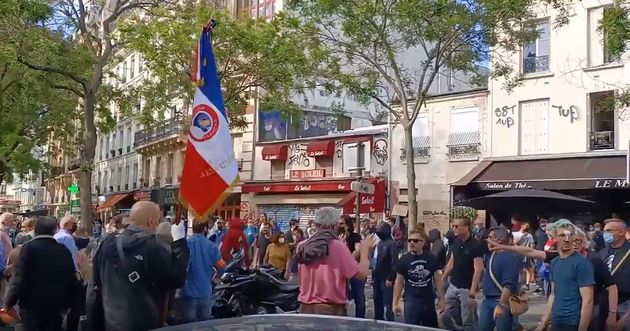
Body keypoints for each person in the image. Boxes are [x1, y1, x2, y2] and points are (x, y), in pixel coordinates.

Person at [86, 201, 190, 331]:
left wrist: (93, 322)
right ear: (151, 221)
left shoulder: (106, 244)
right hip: (145, 322)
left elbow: (93, 287)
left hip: (112, 321)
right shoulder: (152, 248)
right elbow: (177, 278)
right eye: (159, 220)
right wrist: (179, 244)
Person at [4, 216, 81, 331]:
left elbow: (20, 278)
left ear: (36, 230)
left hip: (31, 305)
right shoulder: (62, 250)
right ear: (54, 230)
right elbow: (71, 277)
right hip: (56, 305)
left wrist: (9, 302)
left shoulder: (28, 248)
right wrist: (75, 303)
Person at [296, 207, 373, 316]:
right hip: (330, 309)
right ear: (334, 225)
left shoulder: (302, 246)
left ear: (316, 224)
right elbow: (361, 275)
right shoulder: (338, 247)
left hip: (305, 307)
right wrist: (364, 250)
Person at [537, 221, 594, 331]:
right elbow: (553, 295)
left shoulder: (582, 263)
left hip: (572, 322)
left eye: (570, 235)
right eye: (562, 235)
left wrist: (582, 328)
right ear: (555, 238)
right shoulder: (554, 263)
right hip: (556, 320)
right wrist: (544, 323)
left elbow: (588, 300)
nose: (566, 239)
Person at [393, 229, 445, 327]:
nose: (412, 243)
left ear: (423, 242)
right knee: (411, 328)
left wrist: (442, 299)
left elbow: (438, 280)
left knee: (430, 328)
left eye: (416, 240)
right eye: (410, 240)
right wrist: (395, 303)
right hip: (411, 301)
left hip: (428, 301)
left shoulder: (431, 259)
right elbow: (399, 282)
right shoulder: (404, 260)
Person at [442, 217, 484, 331]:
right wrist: (443, 278)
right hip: (453, 285)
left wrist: (473, 290)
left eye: (456, 226)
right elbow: (451, 262)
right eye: (453, 226)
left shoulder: (475, 245)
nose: (454, 229)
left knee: (468, 321)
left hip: (466, 288)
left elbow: (478, 268)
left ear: (466, 227)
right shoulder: (456, 242)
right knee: (445, 315)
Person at [179, 219, 225, 323]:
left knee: (188, 326)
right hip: (205, 292)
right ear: (205, 229)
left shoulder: (185, 244)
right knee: (204, 325)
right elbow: (222, 267)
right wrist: (216, 279)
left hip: (187, 293)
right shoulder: (212, 246)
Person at [479, 227, 521, 331]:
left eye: (490, 237)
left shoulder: (509, 258)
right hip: (487, 300)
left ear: (499, 240)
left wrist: (501, 305)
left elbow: (509, 285)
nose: (487, 240)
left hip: (501, 300)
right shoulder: (492, 255)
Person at [601, 219, 630, 331]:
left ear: (621, 232)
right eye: (604, 231)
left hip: (625, 303)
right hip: (604, 303)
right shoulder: (602, 252)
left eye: (609, 231)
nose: (605, 234)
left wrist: (627, 317)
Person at [372, 221, 399, 321]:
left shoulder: (391, 244)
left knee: (387, 302)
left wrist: (391, 278)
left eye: (380, 229)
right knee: (377, 300)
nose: (377, 231)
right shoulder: (380, 243)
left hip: (386, 278)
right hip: (377, 277)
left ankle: (389, 321)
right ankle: (378, 319)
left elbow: (394, 263)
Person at [340, 215, 366, 318]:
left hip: (354, 269)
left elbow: (357, 250)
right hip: (341, 271)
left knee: (359, 296)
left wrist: (348, 260)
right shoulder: (337, 237)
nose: (340, 226)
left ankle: (360, 319)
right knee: (342, 296)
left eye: (342, 224)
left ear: (348, 225)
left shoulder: (355, 236)